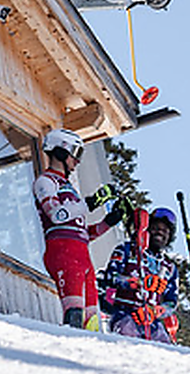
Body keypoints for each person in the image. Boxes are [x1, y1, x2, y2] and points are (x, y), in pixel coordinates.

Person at [32, 128, 128, 329]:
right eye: (75, 153)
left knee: (92, 320)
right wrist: (92, 202)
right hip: (62, 252)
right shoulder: (46, 181)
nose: (77, 161)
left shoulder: (70, 188)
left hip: (82, 255)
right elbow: (56, 215)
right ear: (60, 151)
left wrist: (108, 222)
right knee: (74, 314)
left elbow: (82, 233)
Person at [99, 206, 180, 343]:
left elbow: (172, 302)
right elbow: (109, 277)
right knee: (128, 337)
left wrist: (157, 311)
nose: (160, 232)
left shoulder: (169, 267)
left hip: (152, 322)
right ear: (147, 230)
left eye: (165, 231)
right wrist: (136, 283)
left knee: (165, 346)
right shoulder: (127, 250)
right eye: (156, 228)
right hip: (124, 314)